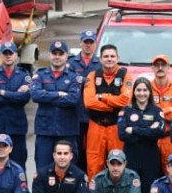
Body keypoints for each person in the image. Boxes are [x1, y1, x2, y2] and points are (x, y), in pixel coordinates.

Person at [117, 77, 165, 193]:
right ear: (134, 91)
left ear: (149, 92)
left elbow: (159, 132)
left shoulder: (157, 111)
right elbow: (123, 134)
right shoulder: (126, 110)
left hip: (150, 157)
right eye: (138, 90)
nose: (142, 93)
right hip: (131, 156)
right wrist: (148, 130)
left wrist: (135, 129)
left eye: (145, 90)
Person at [83, 44, 132, 180]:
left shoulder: (125, 76)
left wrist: (103, 97)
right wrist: (112, 105)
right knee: (93, 166)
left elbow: (125, 101)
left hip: (116, 126)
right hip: (96, 126)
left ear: (118, 58)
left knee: (118, 165)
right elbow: (88, 102)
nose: (109, 59)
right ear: (100, 59)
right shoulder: (93, 76)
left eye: (112, 56)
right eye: (106, 56)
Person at [31, 40, 82, 169]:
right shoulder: (40, 74)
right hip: (45, 131)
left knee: (69, 170)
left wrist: (47, 96)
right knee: (43, 169)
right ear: (49, 55)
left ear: (66, 56)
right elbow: (36, 95)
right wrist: (58, 94)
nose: (57, 57)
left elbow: (73, 99)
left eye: (61, 53)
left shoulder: (74, 77)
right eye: (54, 53)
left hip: (67, 130)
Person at [0, 41, 32, 168]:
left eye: (11, 53)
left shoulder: (24, 75)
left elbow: (25, 98)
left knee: (18, 164)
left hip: (16, 128)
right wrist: (14, 95)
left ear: (16, 55)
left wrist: (3, 93)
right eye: (5, 53)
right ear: (0, 55)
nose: (8, 56)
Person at [68, 29, 100, 173]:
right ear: (80, 42)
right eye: (85, 42)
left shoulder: (100, 64)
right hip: (74, 115)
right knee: (76, 149)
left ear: (95, 44)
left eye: (91, 42)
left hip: (94, 115)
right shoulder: (71, 63)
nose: (88, 45)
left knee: (93, 151)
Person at [149, 54, 172, 167]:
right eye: (157, 65)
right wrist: (169, 109)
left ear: (169, 67)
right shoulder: (145, 88)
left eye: (163, 65)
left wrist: (155, 114)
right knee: (150, 173)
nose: (160, 68)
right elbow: (142, 114)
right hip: (150, 139)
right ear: (152, 68)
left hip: (170, 139)